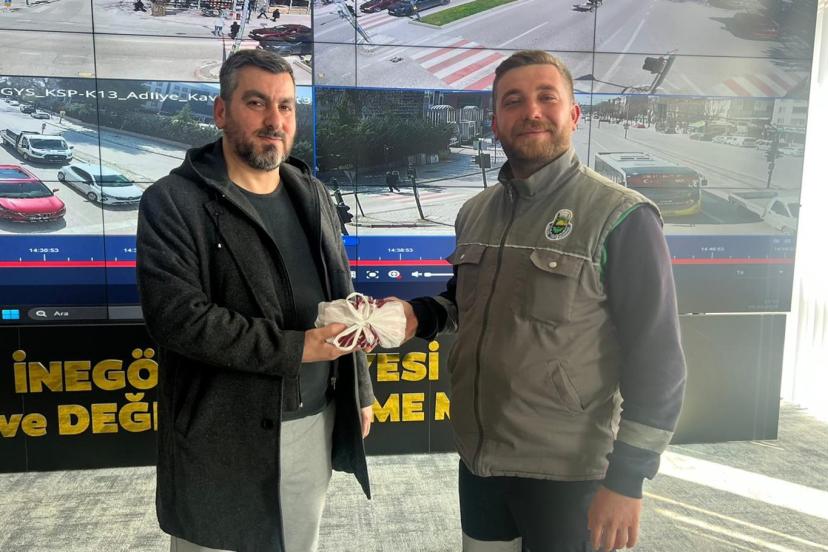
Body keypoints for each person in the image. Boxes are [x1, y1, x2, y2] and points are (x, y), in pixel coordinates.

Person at [393, 50, 686, 552]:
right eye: (513, 101)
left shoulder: (622, 216)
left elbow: (658, 360)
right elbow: (464, 303)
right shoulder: (475, 211)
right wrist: (417, 315)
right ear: (495, 122)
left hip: (569, 474)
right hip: (480, 462)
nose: (530, 111)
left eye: (546, 97)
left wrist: (627, 479)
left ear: (573, 114)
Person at [136, 49, 374, 552]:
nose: (275, 120)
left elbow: (341, 292)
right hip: (223, 437)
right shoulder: (173, 201)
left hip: (313, 422)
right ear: (221, 112)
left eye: (285, 106)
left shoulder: (311, 192)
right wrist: (299, 348)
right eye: (256, 103)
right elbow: (177, 319)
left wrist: (360, 388)